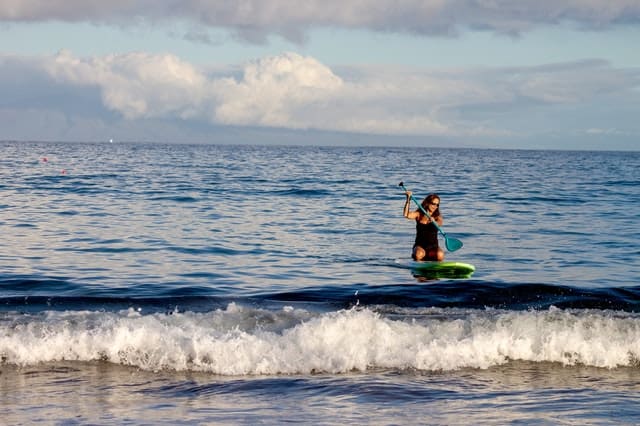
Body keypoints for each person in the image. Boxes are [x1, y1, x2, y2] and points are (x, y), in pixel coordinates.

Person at [403, 191, 445, 262]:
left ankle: (437, 266)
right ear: (427, 203)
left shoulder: (437, 216)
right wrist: (408, 200)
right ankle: (417, 262)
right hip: (420, 246)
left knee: (440, 254)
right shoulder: (419, 214)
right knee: (418, 254)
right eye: (433, 204)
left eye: (437, 205)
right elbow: (406, 215)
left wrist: (434, 221)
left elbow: (439, 223)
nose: (435, 206)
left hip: (433, 247)